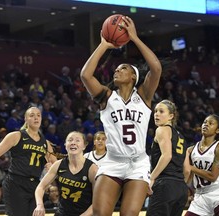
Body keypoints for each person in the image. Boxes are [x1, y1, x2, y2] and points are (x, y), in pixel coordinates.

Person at [80, 15, 162, 216]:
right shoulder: (107, 97)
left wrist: (134, 38)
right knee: (100, 213)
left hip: (137, 163)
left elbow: (156, 68)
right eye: (116, 69)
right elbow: (85, 75)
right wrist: (103, 45)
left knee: (128, 214)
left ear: (133, 76)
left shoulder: (143, 96)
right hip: (112, 161)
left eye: (123, 68)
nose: (117, 71)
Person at [0, 106, 57, 216]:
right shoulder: (16, 136)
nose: (36, 118)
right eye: (32, 115)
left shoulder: (45, 143)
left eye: (38, 115)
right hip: (16, 182)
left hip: (35, 185)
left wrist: (51, 167)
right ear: (26, 119)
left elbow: (56, 165)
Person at [32, 131, 98, 216]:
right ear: (65, 145)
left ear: (84, 146)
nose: (73, 143)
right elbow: (40, 187)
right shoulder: (58, 165)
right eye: (70, 140)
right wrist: (40, 205)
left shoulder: (92, 169)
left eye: (77, 140)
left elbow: (97, 201)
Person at [184, 114, 219, 216]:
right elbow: (188, 177)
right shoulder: (190, 150)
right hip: (199, 197)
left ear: (217, 130)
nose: (206, 124)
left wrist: (190, 167)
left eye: (210, 123)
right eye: (204, 122)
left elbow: (213, 176)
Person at [146, 100, 188, 216]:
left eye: (161, 111)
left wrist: (152, 178)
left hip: (165, 184)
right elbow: (187, 169)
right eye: (155, 111)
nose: (156, 114)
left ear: (171, 116)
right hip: (181, 188)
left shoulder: (162, 130)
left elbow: (167, 155)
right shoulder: (182, 137)